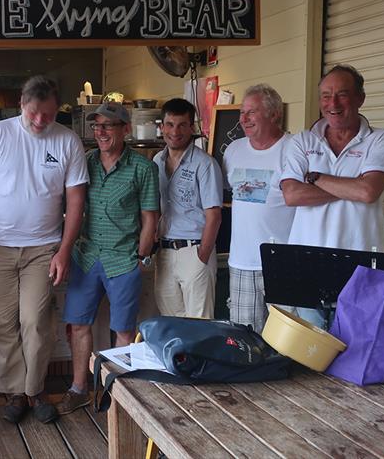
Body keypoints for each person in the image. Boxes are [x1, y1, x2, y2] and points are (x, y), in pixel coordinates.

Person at [0, 75, 88, 424]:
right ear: (22, 103)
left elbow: (76, 201)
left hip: (43, 247)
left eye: (48, 115)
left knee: (35, 322)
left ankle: (35, 391)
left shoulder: (67, 140)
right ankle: (14, 392)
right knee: (0, 324)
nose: (40, 121)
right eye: (34, 113)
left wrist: (64, 249)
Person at [57, 102, 159, 415]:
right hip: (86, 256)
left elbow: (150, 217)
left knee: (123, 330)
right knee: (78, 324)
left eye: (108, 126)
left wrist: (141, 257)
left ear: (125, 129)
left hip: (123, 258)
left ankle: (118, 394)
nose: (100, 132)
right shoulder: (84, 162)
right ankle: (79, 388)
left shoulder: (144, 168)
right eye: (97, 126)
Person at [280, 64, 384, 327]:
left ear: (360, 98)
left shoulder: (381, 139)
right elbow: (292, 195)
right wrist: (351, 187)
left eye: (342, 94)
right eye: (325, 95)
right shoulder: (301, 142)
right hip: (306, 265)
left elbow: (368, 191)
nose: (332, 103)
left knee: (352, 358)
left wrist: (316, 178)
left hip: (360, 269)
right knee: (309, 361)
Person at [222, 84, 295, 333]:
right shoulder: (233, 150)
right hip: (242, 262)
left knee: (286, 342)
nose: (243, 119)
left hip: (283, 263)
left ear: (274, 114)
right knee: (245, 341)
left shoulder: (294, 148)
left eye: (251, 112)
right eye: (243, 112)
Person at [153, 98, 223, 318]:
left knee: (199, 327)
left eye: (182, 125)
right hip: (164, 253)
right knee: (172, 326)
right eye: (170, 124)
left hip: (194, 250)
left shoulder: (205, 164)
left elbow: (214, 216)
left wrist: (202, 254)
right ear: (161, 127)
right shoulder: (156, 161)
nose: (175, 131)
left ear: (191, 127)